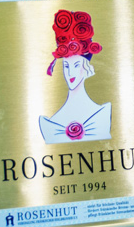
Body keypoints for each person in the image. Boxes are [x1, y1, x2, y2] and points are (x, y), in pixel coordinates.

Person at [39, 10, 112, 143]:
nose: (70, 73)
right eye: (66, 66)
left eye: (76, 65)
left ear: (86, 66)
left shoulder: (102, 114)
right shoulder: (51, 123)